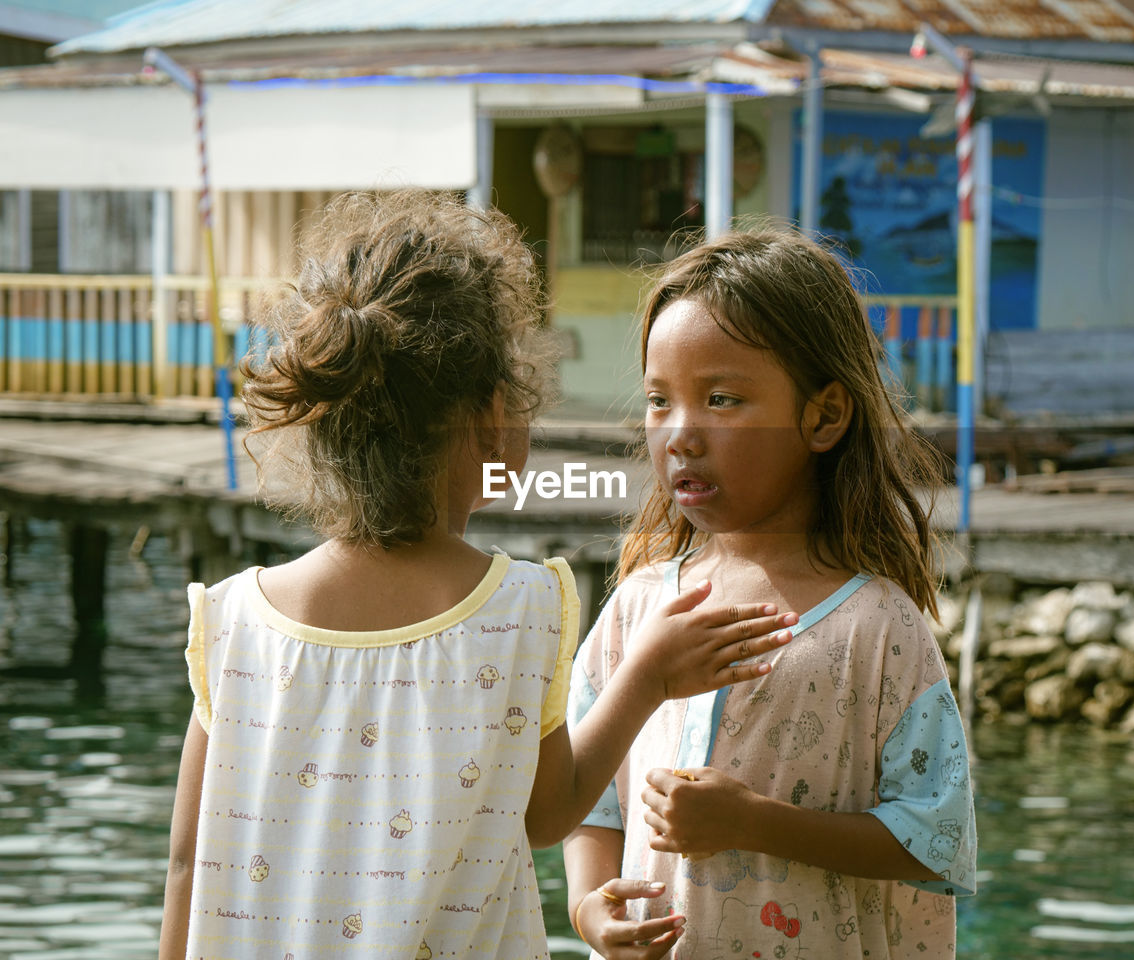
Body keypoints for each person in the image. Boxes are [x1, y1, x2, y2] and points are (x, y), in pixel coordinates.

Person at [157, 193, 797, 960]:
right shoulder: (519, 609)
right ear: (495, 413)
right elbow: (547, 814)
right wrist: (646, 678)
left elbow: (191, 864)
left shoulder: (231, 624)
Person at [564, 229, 977, 959]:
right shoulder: (638, 606)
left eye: (721, 399)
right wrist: (589, 906)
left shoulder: (878, 627)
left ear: (823, 416)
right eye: (660, 401)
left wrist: (754, 823)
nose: (681, 434)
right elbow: (587, 794)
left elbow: (933, 838)